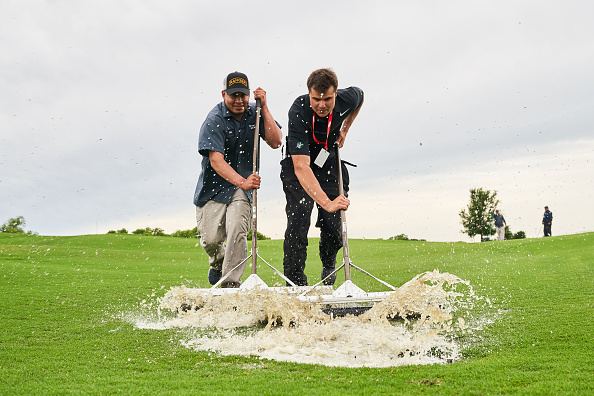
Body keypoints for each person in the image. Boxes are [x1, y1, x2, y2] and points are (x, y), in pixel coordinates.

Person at [193, 72, 282, 288]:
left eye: (244, 95)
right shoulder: (214, 119)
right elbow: (216, 160)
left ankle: (230, 283)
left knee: (237, 231)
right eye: (234, 96)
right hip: (213, 188)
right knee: (212, 240)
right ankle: (218, 265)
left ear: (249, 94)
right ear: (224, 94)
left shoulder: (256, 112)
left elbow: (276, 141)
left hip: (243, 187)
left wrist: (265, 106)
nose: (240, 100)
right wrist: (242, 181)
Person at [281, 68, 364, 286]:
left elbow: (360, 96)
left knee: (334, 221)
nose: (321, 105)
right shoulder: (298, 111)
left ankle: (329, 262)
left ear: (336, 94)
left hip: (327, 158)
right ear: (309, 94)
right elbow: (301, 167)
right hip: (298, 161)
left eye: (327, 99)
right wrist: (326, 203)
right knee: (299, 214)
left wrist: (345, 128)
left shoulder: (348, 98)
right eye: (316, 99)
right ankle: (294, 281)